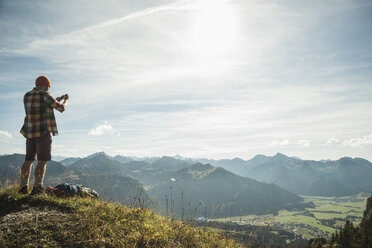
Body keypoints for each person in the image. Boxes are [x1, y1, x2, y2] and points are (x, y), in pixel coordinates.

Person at [19, 75, 69, 195]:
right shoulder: (45, 95)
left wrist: (56, 99)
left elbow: (42, 105)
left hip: (30, 131)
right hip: (43, 132)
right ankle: (37, 188)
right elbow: (61, 108)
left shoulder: (27, 95)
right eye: (48, 87)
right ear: (46, 85)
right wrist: (66, 100)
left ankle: (23, 187)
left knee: (28, 160)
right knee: (42, 160)